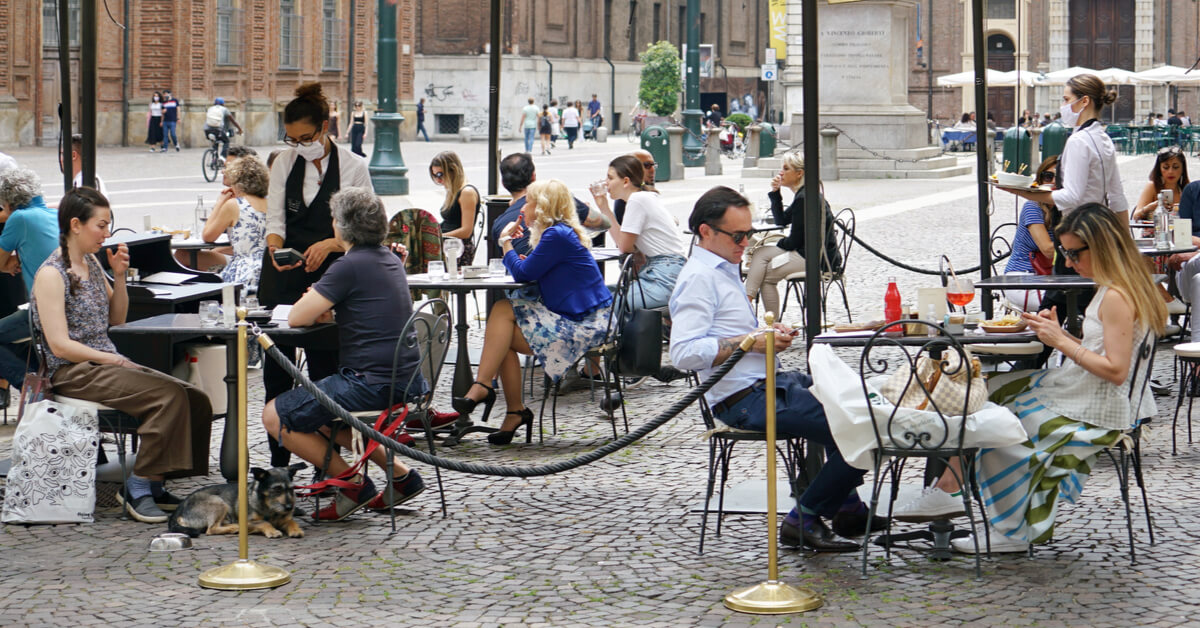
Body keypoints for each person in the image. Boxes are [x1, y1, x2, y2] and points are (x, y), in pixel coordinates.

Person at [896, 203, 1164, 553]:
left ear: (1100, 246)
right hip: (1090, 394)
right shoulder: (1118, 287)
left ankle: (1005, 526)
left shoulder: (1115, 295)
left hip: (1099, 408)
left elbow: (1116, 371)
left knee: (999, 418)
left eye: (1074, 253)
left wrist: (1060, 342)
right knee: (990, 392)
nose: (1068, 263)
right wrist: (1060, 335)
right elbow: (1106, 351)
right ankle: (952, 488)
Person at [669, 186, 884, 550]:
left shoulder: (722, 269)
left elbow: (739, 334)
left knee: (860, 400)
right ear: (706, 231)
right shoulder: (699, 278)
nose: (745, 242)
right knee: (862, 423)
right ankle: (804, 518)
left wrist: (766, 332)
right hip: (743, 399)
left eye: (749, 233)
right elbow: (683, 353)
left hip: (768, 383)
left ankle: (848, 507)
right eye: (737, 235)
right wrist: (750, 341)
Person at [31, 188, 213, 523]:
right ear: (75, 224)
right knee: (169, 396)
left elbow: (118, 318)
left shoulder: (91, 265)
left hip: (102, 364)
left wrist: (118, 275)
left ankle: (157, 482)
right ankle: (138, 486)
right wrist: (110, 359)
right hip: (73, 372)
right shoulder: (51, 274)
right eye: (101, 225)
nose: (107, 233)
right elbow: (59, 345)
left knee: (195, 398)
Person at [262, 187, 427, 520]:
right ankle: (401, 476)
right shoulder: (389, 259)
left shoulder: (348, 266)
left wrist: (318, 302)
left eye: (334, 218)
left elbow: (295, 317)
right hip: (406, 378)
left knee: (274, 415)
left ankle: (352, 483)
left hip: (370, 382)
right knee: (320, 415)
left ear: (342, 227)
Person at [261, 82, 372, 468]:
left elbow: (362, 232)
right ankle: (278, 465)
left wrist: (330, 243)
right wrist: (275, 248)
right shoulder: (283, 163)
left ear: (325, 126)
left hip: (332, 278)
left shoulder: (355, 167)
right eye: (292, 139)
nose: (299, 146)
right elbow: (275, 218)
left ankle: (329, 464)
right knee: (276, 371)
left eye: (305, 137)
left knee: (326, 375)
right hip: (283, 274)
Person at [452, 179, 613, 445]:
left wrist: (506, 242)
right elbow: (536, 269)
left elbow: (523, 273)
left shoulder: (556, 235)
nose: (522, 207)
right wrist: (523, 255)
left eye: (528, 201)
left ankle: (488, 389)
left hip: (587, 324)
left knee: (502, 315)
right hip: (580, 317)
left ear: (542, 207)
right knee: (501, 333)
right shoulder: (557, 233)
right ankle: (507, 406)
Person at [1004, 74, 1128, 324]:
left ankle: (1040, 360)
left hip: (1077, 237)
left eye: (1066, 99)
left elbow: (1072, 195)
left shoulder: (1079, 141)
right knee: (1074, 308)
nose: (1062, 106)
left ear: (1084, 101)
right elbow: (1117, 198)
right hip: (1101, 235)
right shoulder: (1103, 139)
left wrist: (1022, 191)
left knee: (1057, 308)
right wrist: (1125, 242)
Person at [745, 152, 842, 318]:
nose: (781, 173)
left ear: (799, 173)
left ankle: (771, 325)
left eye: (785, 169)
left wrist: (778, 244)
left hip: (816, 259)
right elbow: (782, 220)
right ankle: (747, 300)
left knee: (767, 276)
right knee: (760, 252)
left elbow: (793, 242)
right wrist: (775, 193)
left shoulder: (804, 198)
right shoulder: (805, 194)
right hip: (810, 252)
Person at [593, 155, 687, 309]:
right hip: (665, 272)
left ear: (625, 181)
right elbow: (623, 244)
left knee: (606, 304)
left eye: (610, 178)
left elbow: (624, 247)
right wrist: (604, 208)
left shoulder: (637, 200)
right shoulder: (643, 198)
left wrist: (605, 209)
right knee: (596, 294)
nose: (606, 183)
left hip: (664, 276)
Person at [0, 168, 59, 391]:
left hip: (43, 310)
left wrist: (12, 260)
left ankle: (31, 387)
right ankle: (38, 379)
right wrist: (19, 257)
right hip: (63, 305)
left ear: (8, 202)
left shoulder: (19, 219)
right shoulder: (55, 215)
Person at [492, 152, 610, 257]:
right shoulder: (557, 200)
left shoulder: (499, 223)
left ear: (503, 183)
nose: (523, 209)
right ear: (533, 176)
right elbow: (604, 223)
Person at [196, 157, 268, 292]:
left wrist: (220, 202)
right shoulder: (271, 204)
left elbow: (208, 236)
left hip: (244, 271)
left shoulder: (234, 205)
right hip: (269, 270)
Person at [1002, 155, 1060, 312]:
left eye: (1059, 177)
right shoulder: (1032, 207)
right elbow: (1048, 250)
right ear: (1040, 181)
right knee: (1073, 301)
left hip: (1049, 279)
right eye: (1048, 177)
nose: (1053, 181)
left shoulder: (1063, 209)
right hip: (1022, 278)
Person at [430, 151, 480, 266]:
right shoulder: (452, 191)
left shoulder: (467, 192)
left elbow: (466, 231)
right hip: (449, 246)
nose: (438, 180)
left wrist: (439, 237)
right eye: (435, 175)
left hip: (457, 249)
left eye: (440, 175)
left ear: (453, 170)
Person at [1133, 146, 1188, 221]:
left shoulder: (1187, 189)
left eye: (1176, 167)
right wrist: (1149, 208)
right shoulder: (1152, 186)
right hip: (1154, 231)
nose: (1170, 172)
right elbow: (1135, 216)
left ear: (1182, 169)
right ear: (1159, 169)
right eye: (1166, 167)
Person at [609, 149, 657, 224]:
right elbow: (624, 235)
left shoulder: (645, 194)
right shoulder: (634, 199)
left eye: (653, 165)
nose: (652, 170)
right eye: (647, 165)